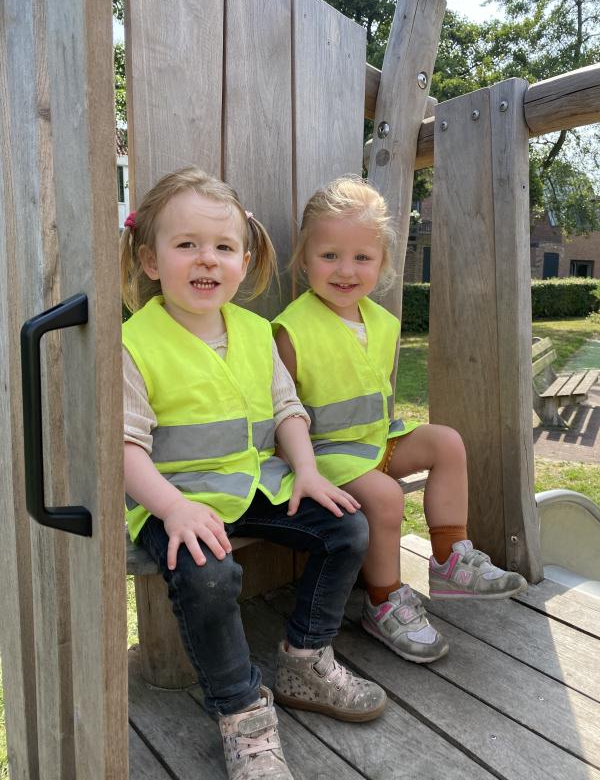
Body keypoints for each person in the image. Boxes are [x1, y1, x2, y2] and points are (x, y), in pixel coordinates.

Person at [120, 168, 386, 780]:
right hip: (177, 499)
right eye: (186, 244)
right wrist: (172, 510)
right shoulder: (136, 343)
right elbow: (127, 448)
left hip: (257, 482)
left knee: (345, 528)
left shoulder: (257, 332)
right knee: (208, 575)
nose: (205, 259)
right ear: (151, 261)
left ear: (244, 261)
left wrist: (310, 472)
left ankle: (304, 657)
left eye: (222, 247)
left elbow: (289, 410)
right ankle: (242, 713)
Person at [273, 175, 528, 665]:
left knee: (446, 441)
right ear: (304, 259)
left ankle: (450, 557)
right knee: (387, 496)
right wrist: (299, 465)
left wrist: (389, 443)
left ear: (383, 263)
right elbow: (281, 414)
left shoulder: (384, 324)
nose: (346, 270)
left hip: (375, 443)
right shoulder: (291, 330)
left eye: (362, 258)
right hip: (324, 455)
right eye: (329, 256)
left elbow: (377, 400)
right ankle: (383, 598)